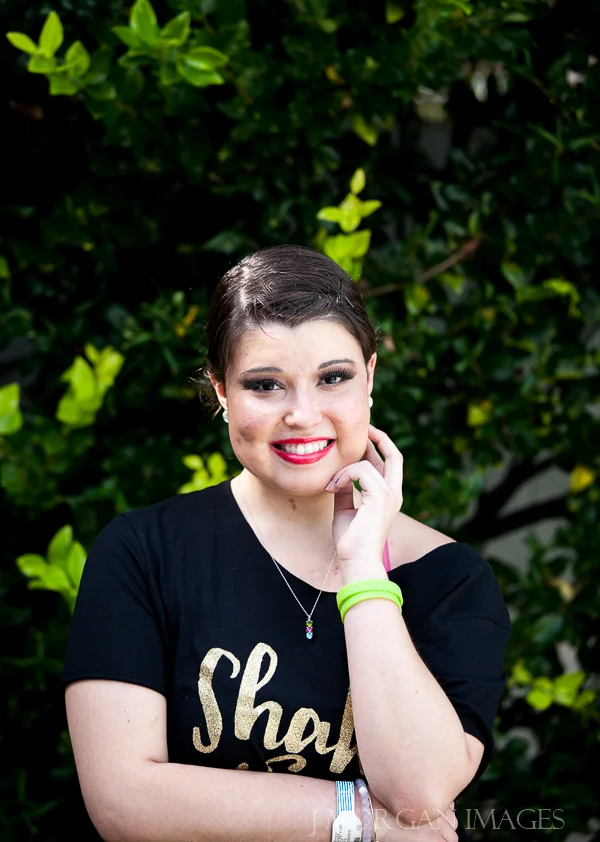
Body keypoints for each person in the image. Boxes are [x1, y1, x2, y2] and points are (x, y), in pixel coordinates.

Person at [60, 244, 511, 842]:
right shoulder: (143, 553)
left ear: (370, 377)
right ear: (222, 392)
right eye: (266, 385)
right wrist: (359, 819)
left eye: (333, 378)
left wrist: (363, 569)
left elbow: (419, 793)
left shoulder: (451, 581)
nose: (303, 414)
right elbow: (124, 800)